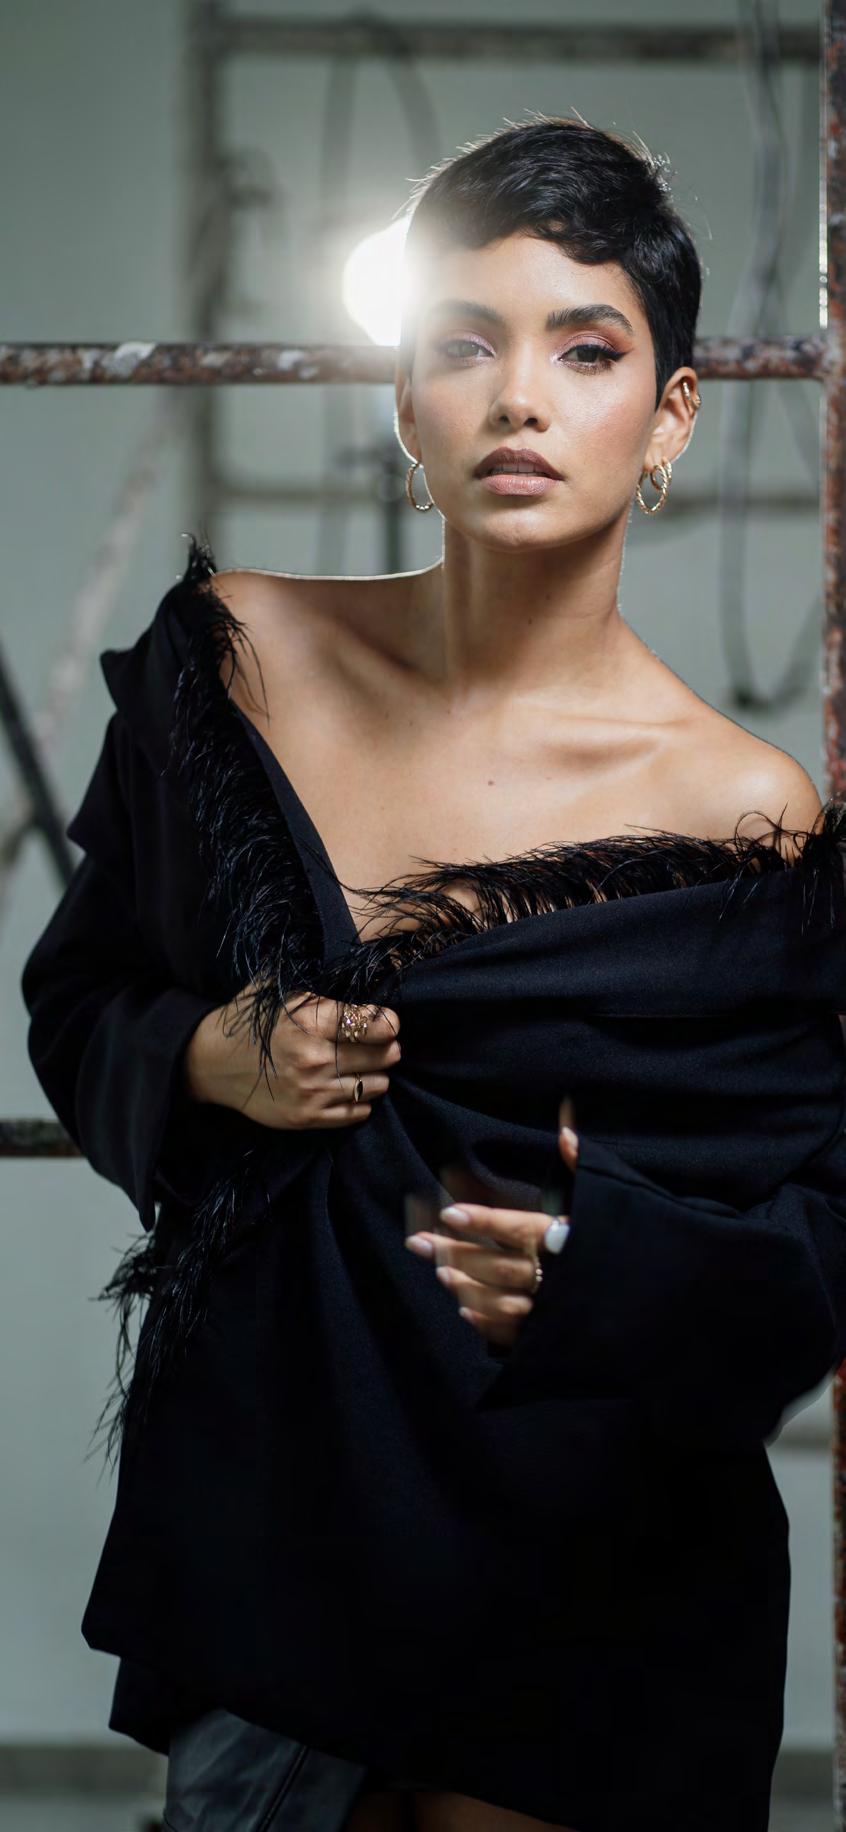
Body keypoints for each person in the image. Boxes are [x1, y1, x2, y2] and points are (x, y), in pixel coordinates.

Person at [20, 114, 846, 1832]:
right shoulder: (238, 663)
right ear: (405, 401)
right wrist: (212, 1053)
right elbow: (79, 1000)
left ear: (670, 415)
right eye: (463, 345)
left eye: (585, 350)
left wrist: (612, 1267)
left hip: (592, 1543)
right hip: (280, 1507)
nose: (518, 398)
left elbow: (813, 1235)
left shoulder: (745, 812)